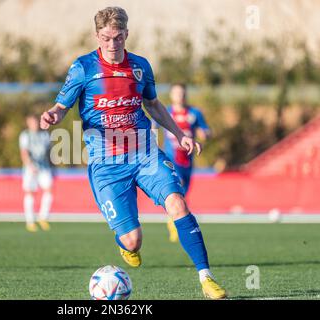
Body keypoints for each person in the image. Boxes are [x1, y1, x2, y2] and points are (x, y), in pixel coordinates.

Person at [40, 7, 226, 299]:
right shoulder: (83, 68)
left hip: (145, 153)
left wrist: (180, 134)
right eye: (105, 38)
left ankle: (206, 277)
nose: (112, 45)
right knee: (133, 240)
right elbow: (62, 106)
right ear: (96, 36)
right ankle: (126, 244)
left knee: (177, 202)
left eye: (117, 38)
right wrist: (52, 115)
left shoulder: (140, 66)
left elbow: (153, 105)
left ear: (126, 34)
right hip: (106, 164)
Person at [162, 83, 211, 242]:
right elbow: (151, 128)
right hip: (170, 158)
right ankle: (173, 223)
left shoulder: (194, 113)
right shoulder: (165, 112)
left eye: (182, 93)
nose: (179, 96)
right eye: (176, 93)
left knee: (183, 194)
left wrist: (205, 134)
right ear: (171, 95)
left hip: (187, 160)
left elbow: (205, 130)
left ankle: (175, 220)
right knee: (177, 188)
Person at [19, 113, 53, 232]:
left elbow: (49, 152)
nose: (34, 125)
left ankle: (42, 218)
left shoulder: (44, 135)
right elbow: (24, 152)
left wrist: (52, 165)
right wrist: (30, 165)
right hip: (30, 168)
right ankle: (30, 221)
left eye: (35, 122)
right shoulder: (25, 135)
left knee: (48, 190)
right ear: (28, 123)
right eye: (31, 122)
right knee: (30, 192)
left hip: (44, 167)